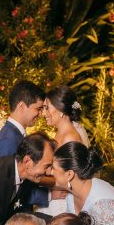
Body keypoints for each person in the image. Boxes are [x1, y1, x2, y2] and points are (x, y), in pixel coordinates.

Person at [0, 79, 48, 207]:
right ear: (21, 106)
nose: (40, 114)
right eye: (38, 109)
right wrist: (48, 195)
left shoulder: (15, 134)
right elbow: (6, 189)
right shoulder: (7, 141)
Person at [37, 85, 90, 216]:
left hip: (62, 203)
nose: (44, 113)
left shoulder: (71, 138)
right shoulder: (61, 133)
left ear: (60, 109)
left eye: (47, 107)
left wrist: (37, 176)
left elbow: (73, 178)